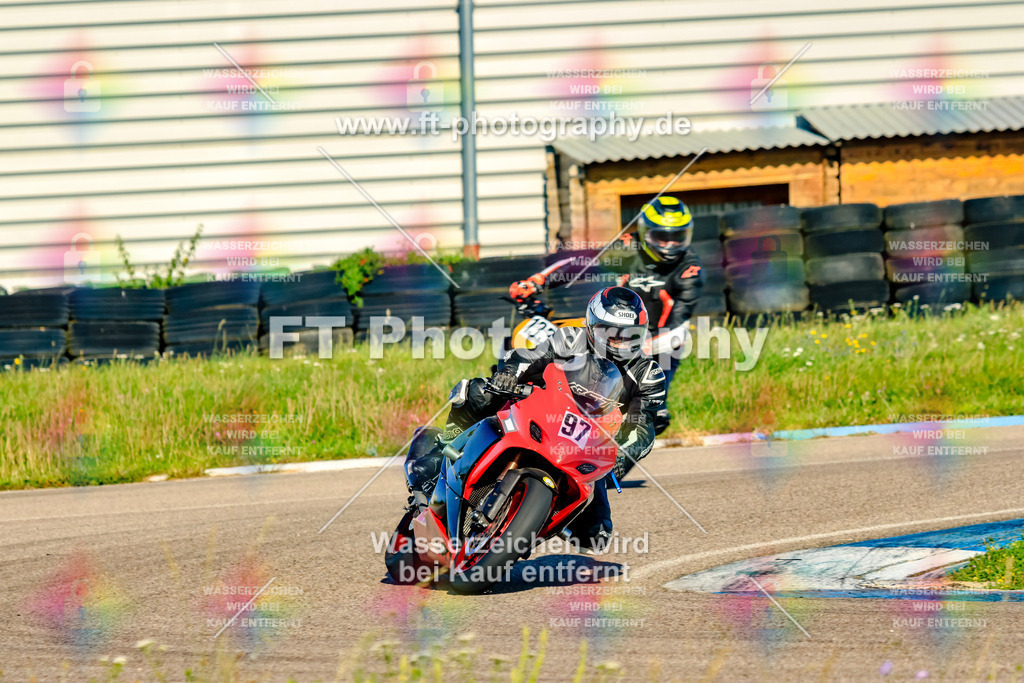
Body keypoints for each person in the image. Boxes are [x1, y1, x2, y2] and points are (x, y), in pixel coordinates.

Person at [405, 286, 666, 552]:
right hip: (537, 410)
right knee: (478, 391)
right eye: (611, 334)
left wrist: (621, 455)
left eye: (629, 336)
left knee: (595, 537)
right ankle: (442, 450)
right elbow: (527, 357)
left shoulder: (648, 374)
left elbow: (642, 426)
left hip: (584, 445)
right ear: (593, 326)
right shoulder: (569, 340)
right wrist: (508, 373)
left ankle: (530, 523)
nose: (620, 343)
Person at [509, 195, 703, 434]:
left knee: (649, 412)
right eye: (662, 237)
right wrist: (538, 281)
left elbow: (676, 324)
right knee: (557, 341)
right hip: (611, 329)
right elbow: (583, 263)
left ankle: (627, 440)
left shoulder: (689, 270)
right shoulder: (628, 247)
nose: (669, 245)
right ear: (645, 232)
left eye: (677, 237)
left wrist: (636, 347)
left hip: (657, 343)